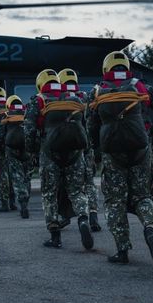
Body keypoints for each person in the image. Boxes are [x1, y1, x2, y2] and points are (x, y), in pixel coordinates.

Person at [87, 51, 153, 264]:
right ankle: (148, 228)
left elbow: (90, 125)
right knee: (142, 196)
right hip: (141, 149)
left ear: (106, 69)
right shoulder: (141, 87)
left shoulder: (97, 91)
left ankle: (122, 250)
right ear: (126, 67)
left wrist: (98, 149)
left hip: (113, 154)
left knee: (114, 202)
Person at [24, 69, 93, 250]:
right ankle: (83, 220)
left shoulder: (37, 101)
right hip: (75, 154)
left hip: (49, 154)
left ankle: (55, 237)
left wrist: (32, 152)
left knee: (49, 194)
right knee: (77, 192)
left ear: (40, 84)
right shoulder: (75, 99)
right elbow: (86, 125)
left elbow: (29, 131)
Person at [58, 68, 101, 232]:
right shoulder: (86, 96)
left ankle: (65, 216)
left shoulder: (59, 99)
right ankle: (93, 215)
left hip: (70, 149)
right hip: (87, 146)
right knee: (89, 182)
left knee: (68, 185)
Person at [0, 95, 31, 218]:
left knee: (16, 178)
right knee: (26, 177)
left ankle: (22, 204)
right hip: (27, 150)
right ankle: (26, 201)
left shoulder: (6, 116)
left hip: (12, 150)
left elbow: (0, 136)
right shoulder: (27, 113)